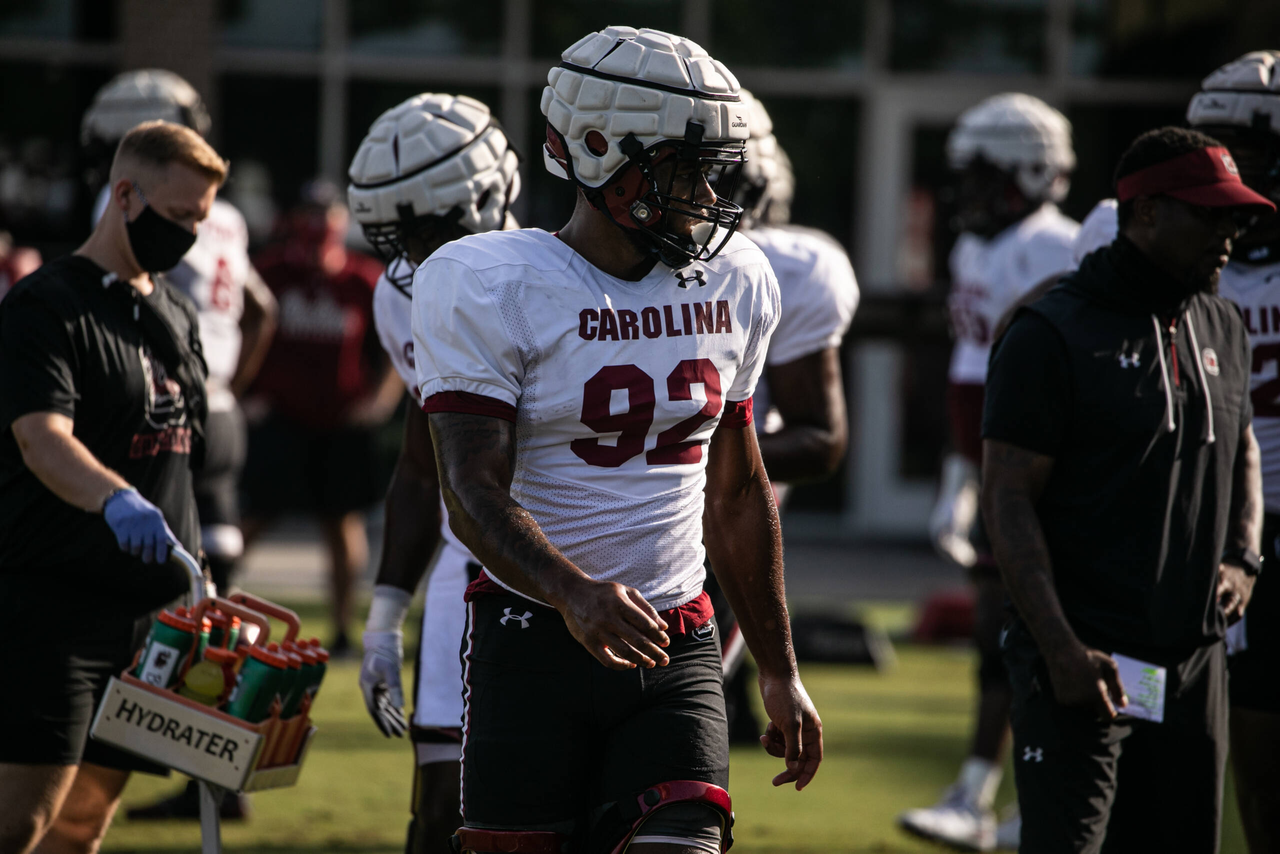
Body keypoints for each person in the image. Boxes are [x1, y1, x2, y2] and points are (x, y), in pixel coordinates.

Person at [413, 26, 823, 853]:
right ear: (601, 152)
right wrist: (572, 591)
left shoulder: (737, 278)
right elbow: (469, 490)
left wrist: (779, 669)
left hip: (676, 638)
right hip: (532, 636)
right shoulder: (490, 282)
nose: (705, 193)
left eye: (711, 170)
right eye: (683, 168)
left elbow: (737, 492)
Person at [982, 126, 1271, 853]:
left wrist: (1243, 555)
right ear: (1144, 211)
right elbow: (1008, 499)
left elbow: (1242, 444)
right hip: (1084, 660)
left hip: (1193, 661)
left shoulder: (1222, 322)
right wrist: (1060, 648)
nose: (1228, 236)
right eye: (1209, 215)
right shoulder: (1050, 331)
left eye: (1236, 219)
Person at [1065, 51, 1280, 853]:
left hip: (1247, 528)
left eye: (1248, 151)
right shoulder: (1128, 241)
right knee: (1201, 760)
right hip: (1175, 539)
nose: (1230, 172)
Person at [0, 120, 224, 854]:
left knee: (82, 827)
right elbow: (41, 438)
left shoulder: (175, 311)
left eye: (200, 218)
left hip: (151, 620)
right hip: (55, 609)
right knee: (18, 822)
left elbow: (181, 455)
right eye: (179, 214)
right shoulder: (45, 306)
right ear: (125, 196)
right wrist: (114, 497)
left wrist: (200, 571)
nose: (190, 233)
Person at [79, 67, 280, 824]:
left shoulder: (131, 202)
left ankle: (133, 758)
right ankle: (218, 777)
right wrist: (228, 385)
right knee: (212, 597)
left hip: (167, 413)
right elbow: (260, 309)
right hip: (218, 408)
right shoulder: (224, 216)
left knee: (161, 605)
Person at [902, 93, 1078, 853]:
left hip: (1044, 472)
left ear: (1028, 173)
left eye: (981, 178)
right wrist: (957, 474)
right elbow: (969, 372)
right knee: (997, 636)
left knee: (1036, 636)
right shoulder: (976, 251)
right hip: (994, 463)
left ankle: (1038, 797)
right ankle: (984, 794)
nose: (965, 195)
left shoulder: (1057, 246)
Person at [347, 92, 520, 854]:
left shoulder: (563, 278)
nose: (414, 255)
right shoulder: (400, 296)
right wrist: (385, 617)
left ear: (485, 199)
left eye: (428, 230)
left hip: (580, 563)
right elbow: (422, 467)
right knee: (440, 814)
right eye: (399, 236)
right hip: (468, 565)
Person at [711, 88, 859, 743]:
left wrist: (683, 456)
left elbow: (821, 439)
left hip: (719, 517)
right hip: (607, 519)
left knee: (669, 711)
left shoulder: (784, 268)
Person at [241, 179, 401, 655]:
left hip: (340, 424)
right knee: (251, 517)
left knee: (341, 522)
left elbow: (398, 344)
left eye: (325, 216)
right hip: (281, 419)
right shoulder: (269, 272)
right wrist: (243, 392)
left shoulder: (363, 278)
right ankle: (209, 602)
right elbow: (236, 328)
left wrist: (381, 400)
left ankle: (343, 630)